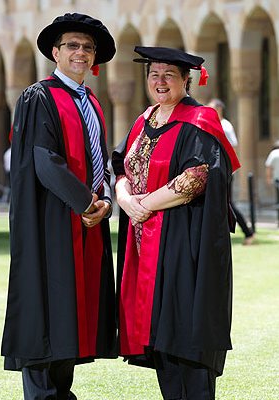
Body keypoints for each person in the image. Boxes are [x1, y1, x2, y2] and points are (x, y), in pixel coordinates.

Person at [112, 46, 240, 400]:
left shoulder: (199, 121)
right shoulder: (144, 120)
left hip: (186, 243)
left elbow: (198, 176)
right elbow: (121, 166)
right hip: (147, 246)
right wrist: (125, 200)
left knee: (186, 334)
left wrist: (144, 205)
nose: (160, 81)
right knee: (161, 339)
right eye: (154, 74)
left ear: (187, 79)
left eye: (170, 74)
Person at [1, 13, 117, 400]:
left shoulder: (92, 103)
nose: (80, 52)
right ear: (55, 52)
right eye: (72, 45)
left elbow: (98, 159)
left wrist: (107, 201)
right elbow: (44, 160)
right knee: (44, 306)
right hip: (50, 222)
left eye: (87, 47)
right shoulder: (40, 97)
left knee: (70, 309)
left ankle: (60, 392)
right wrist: (88, 203)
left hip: (84, 222)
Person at [207, 98, 255, 245]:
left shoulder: (225, 126)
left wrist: (227, 168)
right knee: (220, 203)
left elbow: (232, 147)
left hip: (224, 172)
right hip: (215, 171)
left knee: (228, 204)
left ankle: (248, 233)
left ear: (219, 109)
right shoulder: (213, 124)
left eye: (211, 108)